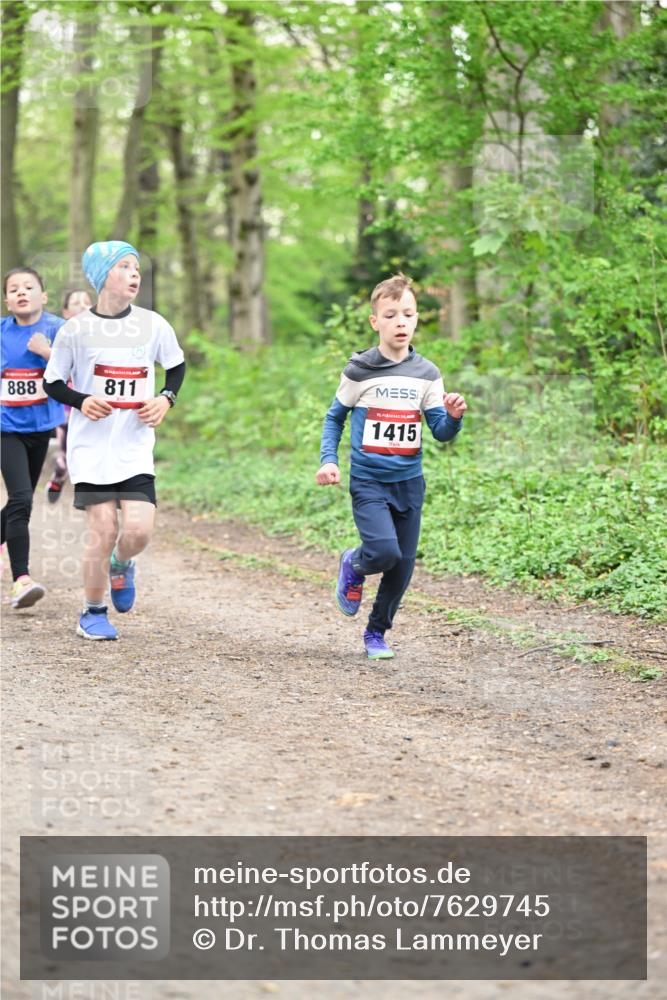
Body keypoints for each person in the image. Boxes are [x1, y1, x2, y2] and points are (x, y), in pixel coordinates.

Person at [316, 274, 467, 660]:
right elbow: (335, 418)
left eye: (408, 314)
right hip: (369, 481)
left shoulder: (428, 374)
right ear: (375, 322)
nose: (401, 321)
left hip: (409, 483)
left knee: (402, 567)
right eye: (391, 314)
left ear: (416, 319)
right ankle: (354, 561)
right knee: (384, 553)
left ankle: (376, 633)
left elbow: (441, 432)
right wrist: (329, 460)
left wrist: (452, 417)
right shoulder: (360, 369)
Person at [44, 241, 186, 640]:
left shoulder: (152, 324)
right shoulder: (76, 330)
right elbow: (52, 381)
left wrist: (165, 398)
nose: (135, 273)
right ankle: (92, 611)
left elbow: (175, 366)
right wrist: (83, 400)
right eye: (124, 266)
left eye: (136, 267)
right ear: (103, 275)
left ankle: (121, 563)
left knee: (138, 531)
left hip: (134, 446)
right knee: (103, 528)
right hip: (91, 449)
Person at [1, 267, 66, 608]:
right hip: (6, 428)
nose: (21, 292)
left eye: (29, 287)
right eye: (13, 289)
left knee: (17, 502)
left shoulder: (59, 329)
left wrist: (46, 353)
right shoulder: (0, 332)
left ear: (43, 295)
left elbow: (74, 371)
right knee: (22, 499)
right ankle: (21, 581)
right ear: (7, 300)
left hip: (41, 428)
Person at [45, 289, 93, 504]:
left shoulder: (103, 336)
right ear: (66, 312)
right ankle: (61, 469)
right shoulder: (61, 334)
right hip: (65, 401)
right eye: (76, 302)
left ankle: (67, 472)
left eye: (87, 302)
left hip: (93, 401)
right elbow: (53, 366)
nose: (83, 305)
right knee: (67, 442)